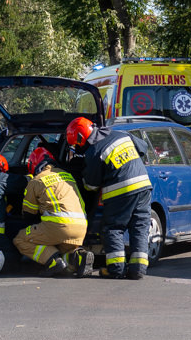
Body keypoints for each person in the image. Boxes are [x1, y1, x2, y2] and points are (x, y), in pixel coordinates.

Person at [67, 116, 153, 280]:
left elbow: (91, 185)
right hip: (143, 186)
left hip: (120, 192)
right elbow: (143, 148)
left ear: (80, 138)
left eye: (77, 144)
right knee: (140, 227)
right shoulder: (121, 134)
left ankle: (116, 269)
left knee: (113, 228)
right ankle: (137, 270)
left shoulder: (93, 151)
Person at [14, 147, 91, 277]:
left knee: (20, 239)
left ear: (33, 165)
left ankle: (53, 261)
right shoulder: (68, 175)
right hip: (81, 228)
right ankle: (79, 256)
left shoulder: (37, 180)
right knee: (62, 248)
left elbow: (28, 214)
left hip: (57, 226)